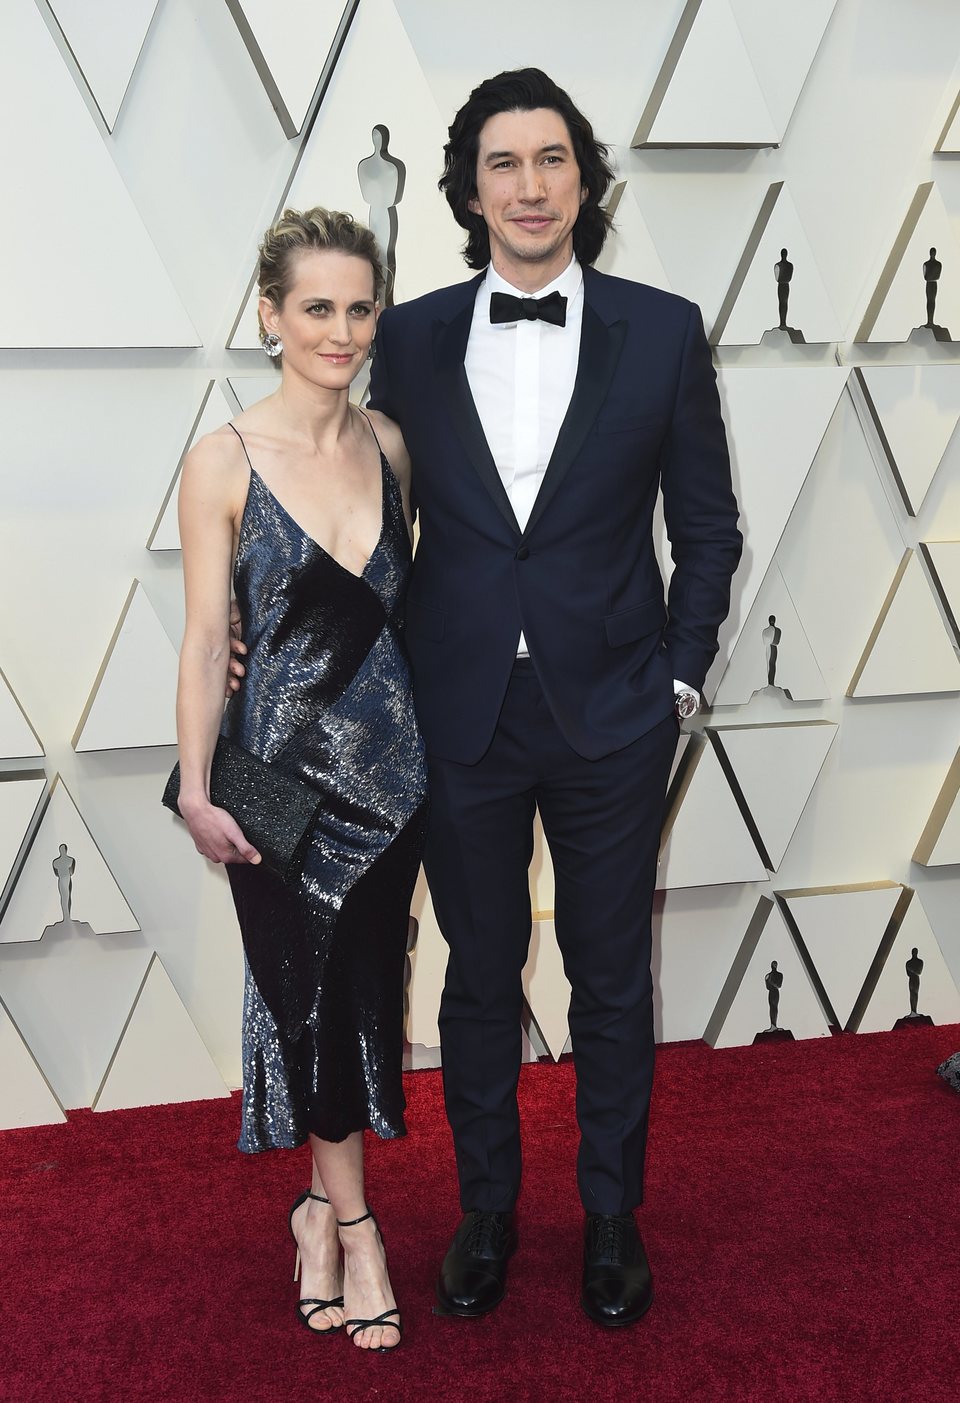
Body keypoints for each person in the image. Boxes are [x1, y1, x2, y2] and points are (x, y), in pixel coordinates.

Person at [366, 68, 742, 1328]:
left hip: (615, 712)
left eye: (552, 161)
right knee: (478, 973)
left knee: (611, 978)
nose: (529, 187)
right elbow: (366, 521)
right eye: (502, 164)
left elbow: (706, 522)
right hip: (457, 712)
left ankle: (613, 1217)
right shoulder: (408, 337)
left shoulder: (665, 325)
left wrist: (680, 672)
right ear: (468, 191)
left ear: (586, 180)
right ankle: (486, 1210)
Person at [175, 207, 427, 1352]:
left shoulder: (391, 444)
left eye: (359, 307)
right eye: (316, 307)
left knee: (367, 994)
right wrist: (193, 785)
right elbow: (203, 637)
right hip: (280, 788)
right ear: (268, 315)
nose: (340, 329)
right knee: (311, 1002)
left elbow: (396, 615)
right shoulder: (222, 458)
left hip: (395, 781)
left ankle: (313, 1214)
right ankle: (359, 1225)